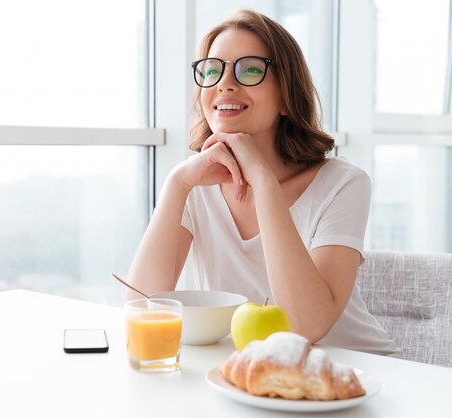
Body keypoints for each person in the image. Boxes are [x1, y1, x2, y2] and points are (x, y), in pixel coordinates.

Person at [126, 9, 400, 356]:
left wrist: (264, 183)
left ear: (286, 95)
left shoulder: (343, 184)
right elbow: (140, 309)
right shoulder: (194, 186)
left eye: (250, 69)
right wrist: (176, 183)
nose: (225, 82)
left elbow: (305, 326)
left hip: (359, 372)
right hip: (258, 379)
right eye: (212, 70)